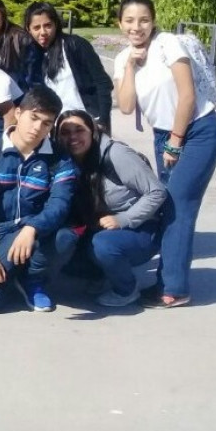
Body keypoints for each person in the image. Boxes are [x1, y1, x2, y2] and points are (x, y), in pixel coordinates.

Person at [114, 0, 216, 308]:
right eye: (130, 21)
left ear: (153, 20)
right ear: (120, 23)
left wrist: (175, 141)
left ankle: (174, 288)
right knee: (168, 205)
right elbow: (125, 106)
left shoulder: (168, 45)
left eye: (144, 20)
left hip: (198, 130)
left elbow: (188, 96)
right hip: (164, 134)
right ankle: (167, 281)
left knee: (179, 205)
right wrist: (132, 68)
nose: (137, 27)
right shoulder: (124, 59)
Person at [0, 86, 76, 313]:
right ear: (18, 113)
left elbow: (60, 204)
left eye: (46, 123)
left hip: (33, 232)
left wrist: (31, 228)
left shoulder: (58, 158)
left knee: (65, 237)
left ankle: (33, 280)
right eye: (33, 118)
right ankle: (12, 273)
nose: (37, 128)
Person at [54, 110, 166, 307]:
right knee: (62, 241)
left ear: (93, 131)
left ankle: (127, 289)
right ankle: (99, 274)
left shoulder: (116, 154)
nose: (72, 137)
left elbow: (156, 192)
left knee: (103, 245)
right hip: (98, 226)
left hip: (141, 229)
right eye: (65, 132)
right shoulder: (64, 161)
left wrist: (123, 219)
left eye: (79, 130)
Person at [23, 1, 114, 130]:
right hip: (54, 127)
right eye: (36, 28)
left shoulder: (75, 45)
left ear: (56, 24)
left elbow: (103, 82)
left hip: (87, 123)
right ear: (28, 29)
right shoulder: (31, 56)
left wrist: (103, 121)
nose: (43, 32)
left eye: (48, 25)